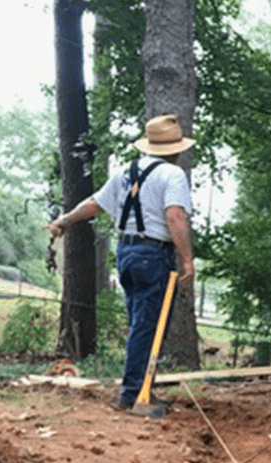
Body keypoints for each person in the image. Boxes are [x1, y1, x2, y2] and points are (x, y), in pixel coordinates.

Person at [48, 114, 196, 411]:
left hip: (127, 253)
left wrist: (65, 220)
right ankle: (134, 395)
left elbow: (94, 203)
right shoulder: (172, 175)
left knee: (140, 324)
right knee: (148, 326)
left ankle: (141, 388)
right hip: (154, 254)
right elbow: (175, 216)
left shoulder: (126, 172)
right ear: (175, 149)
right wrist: (188, 259)